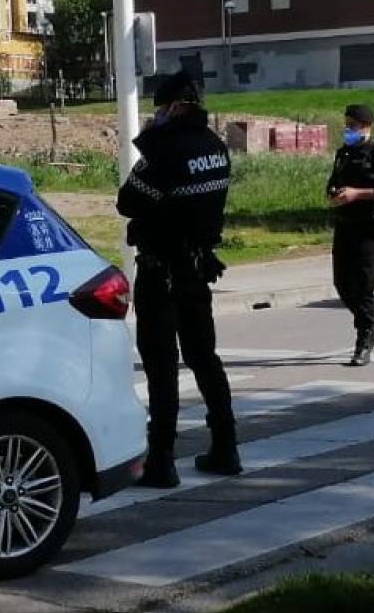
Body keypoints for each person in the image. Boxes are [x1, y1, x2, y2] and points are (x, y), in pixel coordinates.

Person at [117, 70, 241, 489]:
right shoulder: (215, 147)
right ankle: (226, 446)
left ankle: (163, 459)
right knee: (205, 357)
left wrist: (151, 149)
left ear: (173, 107)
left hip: (161, 270)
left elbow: (127, 201)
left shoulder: (163, 154)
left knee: (161, 364)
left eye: (159, 110)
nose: (156, 118)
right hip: (197, 267)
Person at [327, 104, 374, 367]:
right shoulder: (343, 154)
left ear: (367, 126)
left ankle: (364, 338)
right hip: (345, 224)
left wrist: (357, 194)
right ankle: (371, 327)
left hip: (369, 227)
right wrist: (334, 196)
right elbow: (333, 183)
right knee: (341, 283)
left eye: (353, 125)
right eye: (346, 125)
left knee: (363, 284)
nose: (348, 130)